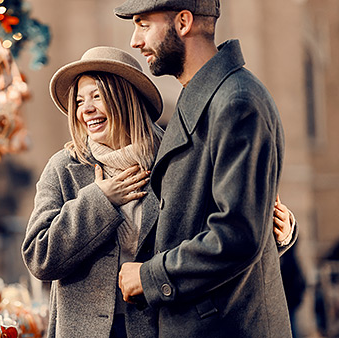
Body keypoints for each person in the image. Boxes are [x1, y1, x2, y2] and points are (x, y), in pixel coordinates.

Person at [22, 46, 297, 338]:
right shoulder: (64, 167)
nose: (85, 109)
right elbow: (39, 257)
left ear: (126, 98)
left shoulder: (176, 159)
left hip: (160, 328)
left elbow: (214, 240)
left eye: (97, 96)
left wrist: (277, 237)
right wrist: (101, 200)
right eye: (79, 101)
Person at [114, 0, 292, 336]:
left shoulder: (236, 102)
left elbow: (237, 235)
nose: (135, 41)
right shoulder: (205, 95)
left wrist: (150, 276)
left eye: (143, 24)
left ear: (183, 22)